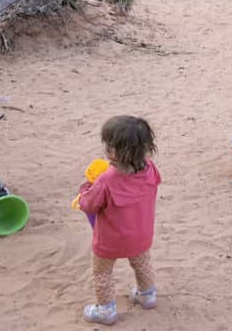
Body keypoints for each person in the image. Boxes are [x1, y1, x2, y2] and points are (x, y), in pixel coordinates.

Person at [78, 116, 161, 326]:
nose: (106, 149)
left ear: (119, 152)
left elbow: (88, 204)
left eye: (109, 146)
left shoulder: (107, 179)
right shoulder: (150, 169)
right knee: (142, 264)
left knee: (102, 272)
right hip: (140, 234)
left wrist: (86, 188)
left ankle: (105, 310)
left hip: (110, 239)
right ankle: (147, 295)